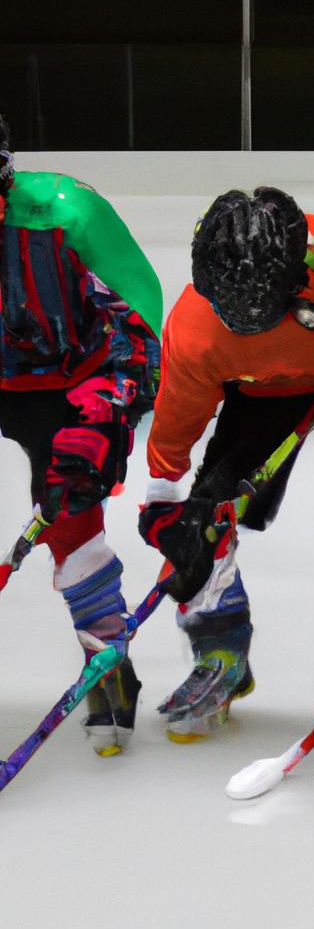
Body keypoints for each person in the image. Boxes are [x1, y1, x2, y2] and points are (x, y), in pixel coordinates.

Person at [138, 187, 314, 741]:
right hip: (271, 392)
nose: (247, 325)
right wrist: (164, 496)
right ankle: (221, 650)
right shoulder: (194, 329)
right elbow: (180, 413)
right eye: (231, 315)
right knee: (203, 521)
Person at [0, 113, 162, 756]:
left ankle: (107, 660)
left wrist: (104, 415)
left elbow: (141, 324)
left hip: (70, 386)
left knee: (71, 520)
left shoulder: (65, 216)